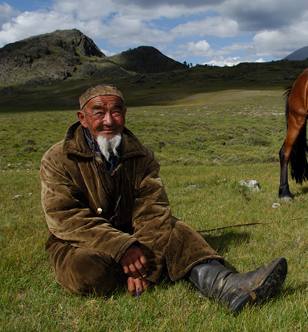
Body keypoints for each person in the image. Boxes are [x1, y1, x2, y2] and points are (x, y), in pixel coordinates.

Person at [40, 84, 287, 314]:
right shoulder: (58, 158)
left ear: (125, 114)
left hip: (133, 231)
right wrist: (122, 248)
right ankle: (151, 270)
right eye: (99, 113)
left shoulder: (141, 155)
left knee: (177, 230)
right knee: (86, 270)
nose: (109, 120)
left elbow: (152, 210)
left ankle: (227, 286)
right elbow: (66, 218)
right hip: (80, 240)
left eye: (116, 112)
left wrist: (142, 262)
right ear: (82, 118)